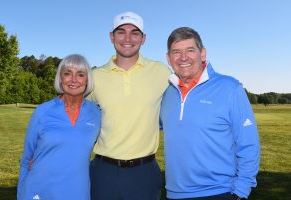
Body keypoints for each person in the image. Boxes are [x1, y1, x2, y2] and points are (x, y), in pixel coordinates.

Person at [160, 27, 261, 200]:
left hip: (219, 192)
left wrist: (241, 190)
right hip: (174, 194)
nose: (183, 58)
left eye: (190, 50)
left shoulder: (230, 88)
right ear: (168, 58)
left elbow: (248, 143)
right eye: (176, 52)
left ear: (203, 53)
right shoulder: (168, 93)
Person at [88, 11, 171, 200]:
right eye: (121, 32)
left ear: (143, 39)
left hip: (144, 173)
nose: (127, 38)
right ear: (111, 37)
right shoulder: (95, 77)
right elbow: (75, 116)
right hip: (103, 172)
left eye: (134, 32)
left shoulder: (161, 72)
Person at [17, 54, 101, 200]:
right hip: (40, 190)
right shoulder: (42, 111)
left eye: (80, 74)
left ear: (87, 80)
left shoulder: (95, 113)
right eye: (67, 73)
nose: (74, 80)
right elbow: (26, 159)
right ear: (60, 78)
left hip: (78, 191)